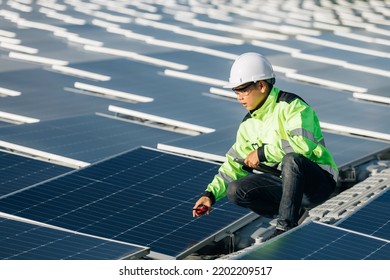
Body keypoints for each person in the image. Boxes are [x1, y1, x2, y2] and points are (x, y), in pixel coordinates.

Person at [192, 52, 338, 239]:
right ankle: (294, 214)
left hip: (318, 183)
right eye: (235, 91)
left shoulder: (293, 106)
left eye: (243, 89)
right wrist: (210, 195)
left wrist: (262, 153)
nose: (239, 97)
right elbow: (233, 165)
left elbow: (303, 145)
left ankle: (285, 228)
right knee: (236, 190)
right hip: (286, 187)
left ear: (261, 85)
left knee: (292, 160)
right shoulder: (248, 125)